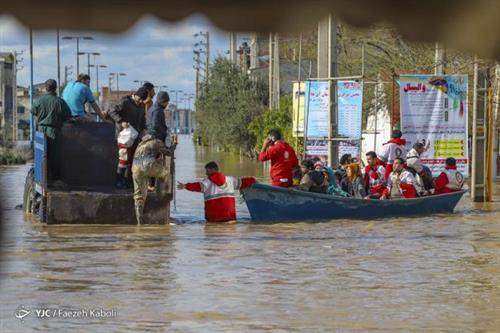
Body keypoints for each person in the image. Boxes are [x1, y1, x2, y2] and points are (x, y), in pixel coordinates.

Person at [177, 161, 256, 223]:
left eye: (207, 171)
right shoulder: (230, 180)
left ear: (213, 170)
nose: (206, 174)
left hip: (214, 220)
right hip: (230, 219)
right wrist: (253, 180)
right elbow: (243, 182)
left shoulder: (207, 182)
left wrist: (185, 186)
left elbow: (198, 186)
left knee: (213, 240)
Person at [31, 79, 72, 180]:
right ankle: (52, 177)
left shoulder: (39, 101)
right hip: (54, 131)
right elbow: (68, 116)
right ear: (55, 88)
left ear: (46, 88)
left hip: (40, 131)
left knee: (41, 154)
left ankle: (40, 176)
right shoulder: (60, 102)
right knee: (54, 156)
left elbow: (33, 111)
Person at [108, 87, 149, 188]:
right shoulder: (125, 102)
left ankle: (127, 181)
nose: (139, 102)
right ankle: (119, 181)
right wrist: (121, 122)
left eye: (141, 100)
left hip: (135, 136)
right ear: (135, 95)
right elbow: (111, 112)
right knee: (123, 158)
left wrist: (144, 129)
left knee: (132, 159)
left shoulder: (141, 106)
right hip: (124, 135)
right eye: (139, 99)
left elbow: (142, 120)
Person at [131, 133, 174, 225]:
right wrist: (174, 145)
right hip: (147, 165)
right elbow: (168, 152)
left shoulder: (140, 145)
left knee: (138, 196)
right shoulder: (157, 142)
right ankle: (165, 194)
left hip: (135, 167)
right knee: (166, 174)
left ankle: (140, 222)